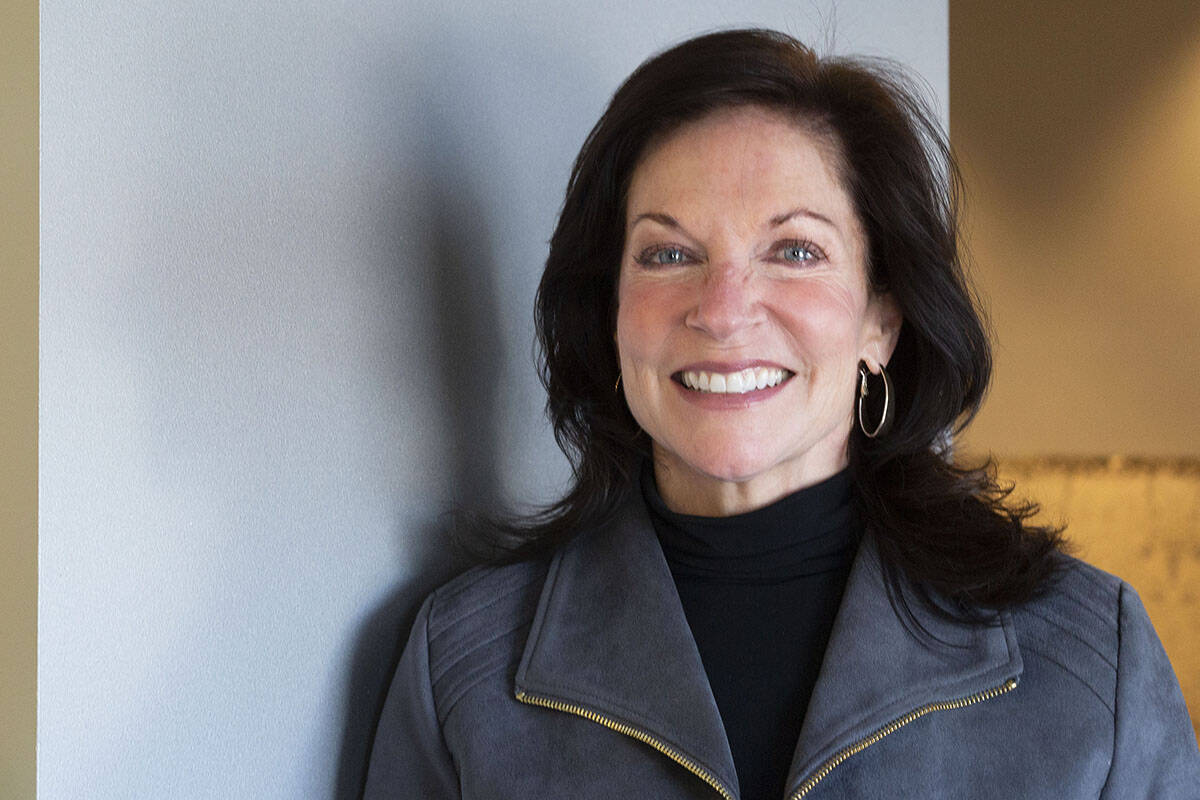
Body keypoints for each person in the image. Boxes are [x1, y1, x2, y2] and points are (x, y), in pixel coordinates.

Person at [364, 29, 1199, 799]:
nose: (723, 311)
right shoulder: (464, 669)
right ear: (610, 313)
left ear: (883, 318)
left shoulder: (1093, 660)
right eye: (668, 253)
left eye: (794, 250)